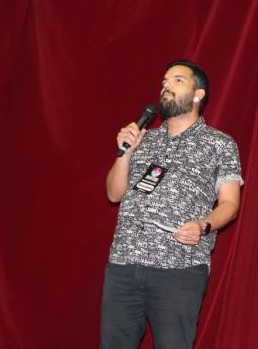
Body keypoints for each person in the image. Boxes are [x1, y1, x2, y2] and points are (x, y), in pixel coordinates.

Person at [101, 60, 243, 349]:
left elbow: (230, 204)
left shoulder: (219, 143)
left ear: (198, 94)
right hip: (123, 265)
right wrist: (125, 152)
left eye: (177, 80)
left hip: (178, 268)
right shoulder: (144, 139)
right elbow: (114, 194)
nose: (166, 86)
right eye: (164, 82)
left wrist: (203, 226)